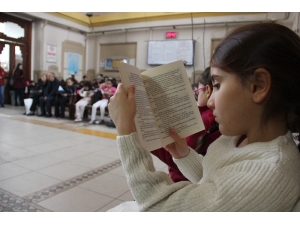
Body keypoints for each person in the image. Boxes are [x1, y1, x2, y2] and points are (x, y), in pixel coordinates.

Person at [108, 23, 300, 212]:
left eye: (216, 85)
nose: (210, 102)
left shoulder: (266, 175)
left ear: (258, 85)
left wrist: (126, 129)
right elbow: (213, 180)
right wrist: (184, 154)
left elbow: (160, 207)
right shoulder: (239, 136)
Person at [151, 67, 221, 182]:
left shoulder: (206, 120)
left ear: (208, 90)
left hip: (184, 182)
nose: (197, 96)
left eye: (197, 91)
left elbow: (180, 160)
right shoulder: (211, 119)